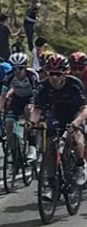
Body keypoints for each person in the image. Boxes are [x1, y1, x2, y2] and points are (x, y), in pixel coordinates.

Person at [29, 54, 87, 195]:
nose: (54, 77)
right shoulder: (42, 86)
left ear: (65, 73)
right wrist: (31, 122)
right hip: (55, 113)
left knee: (76, 135)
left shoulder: (74, 84)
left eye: (57, 74)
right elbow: (37, 109)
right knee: (50, 146)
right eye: (51, 73)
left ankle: (80, 164)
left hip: (74, 113)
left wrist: (75, 123)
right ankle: (50, 182)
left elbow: (84, 109)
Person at [0, 52, 39, 161]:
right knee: (9, 123)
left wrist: (33, 105)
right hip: (17, 99)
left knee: (28, 111)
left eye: (20, 68)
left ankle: (32, 147)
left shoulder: (32, 76)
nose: (17, 71)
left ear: (25, 67)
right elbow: (3, 95)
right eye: (14, 68)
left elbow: (37, 94)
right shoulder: (9, 76)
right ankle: (14, 151)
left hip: (30, 98)